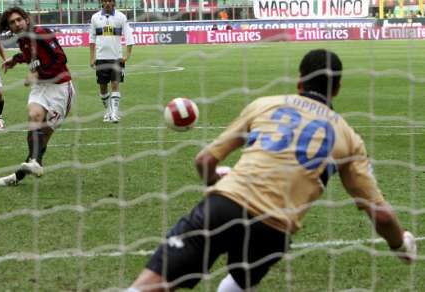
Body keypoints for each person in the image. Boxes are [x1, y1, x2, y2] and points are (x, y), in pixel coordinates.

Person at [127, 49, 417, 291]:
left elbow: (204, 161)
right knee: (238, 284)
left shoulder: (265, 105)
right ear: (337, 89)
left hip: (225, 205)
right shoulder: (348, 137)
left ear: (300, 82)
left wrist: (216, 179)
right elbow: (380, 214)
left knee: (152, 284)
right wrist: (400, 244)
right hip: (275, 229)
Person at [0, 7, 75, 186]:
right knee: (34, 116)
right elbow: (27, 55)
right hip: (41, 87)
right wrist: (14, 60)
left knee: (43, 138)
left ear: (26, 20)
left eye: (19, 20)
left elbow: (61, 59)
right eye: (12, 23)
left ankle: (19, 175)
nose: (16, 24)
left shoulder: (41, 32)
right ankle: (35, 163)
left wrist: (39, 74)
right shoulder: (23, 40)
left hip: (60, 88)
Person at [89, 0, 134, 123]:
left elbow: (129, 35)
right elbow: (92, 38)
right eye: (105, 1)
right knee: (103, 88)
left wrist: (127, 54)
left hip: (116, 58)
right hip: (101, 58)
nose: (107, 3)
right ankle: (108, 112)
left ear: (113, 2)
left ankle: (114, 114)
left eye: (110, 1)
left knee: (115, 85)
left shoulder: (121, 17)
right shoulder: (95, 18)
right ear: (102, 3)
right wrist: (92, 57)